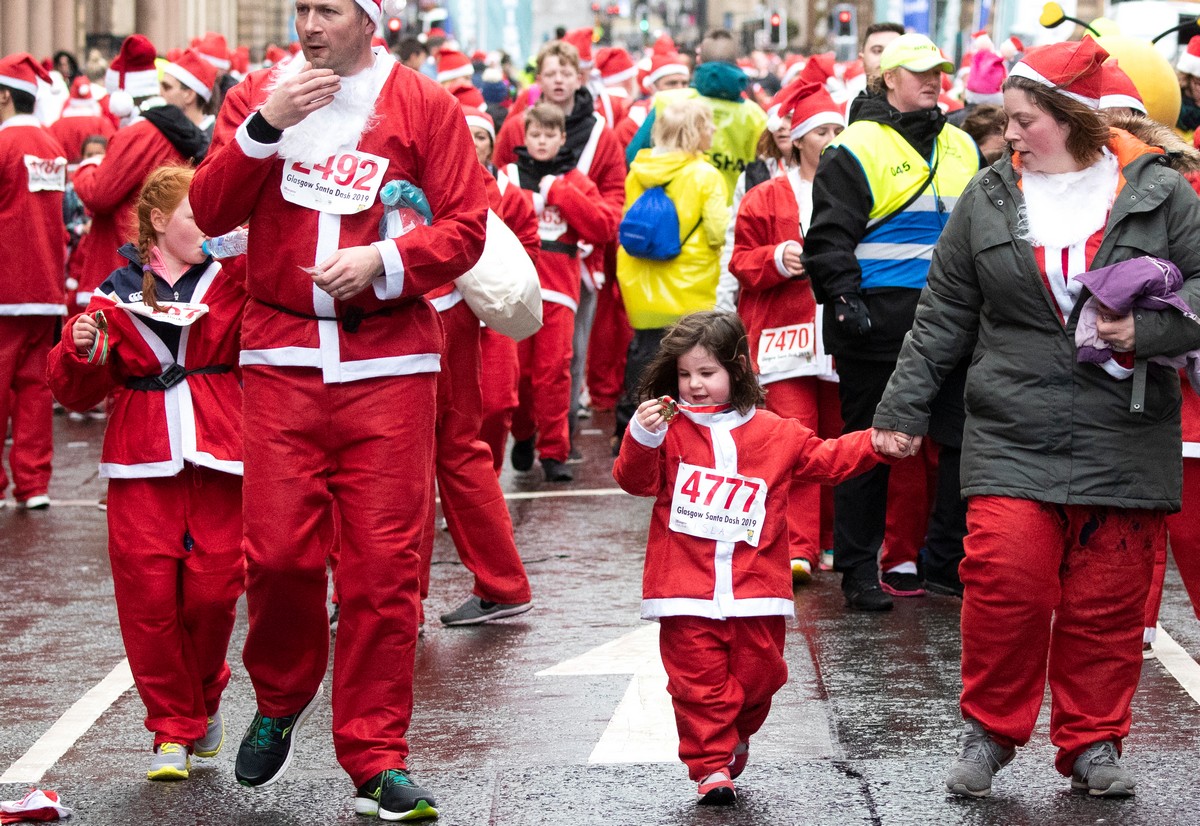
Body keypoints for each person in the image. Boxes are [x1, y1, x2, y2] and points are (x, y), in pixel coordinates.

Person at [870, 38, 1200, 798]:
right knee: (1004, 582)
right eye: (1007, 122)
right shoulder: (988, 197)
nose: (1009, 135)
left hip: (1125, 428)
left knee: (1106, 600)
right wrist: (903, 410)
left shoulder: (1161, 193)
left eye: (1025, 121)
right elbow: (944, 312)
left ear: (1074, 117)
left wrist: (1147, 334)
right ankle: (989, 730)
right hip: (1012, 426)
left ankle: (1093, 742)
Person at [190, 0, 488, 820]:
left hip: (390, 362)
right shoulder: (259, 91)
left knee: (385, 572)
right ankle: (281, 696)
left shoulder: (424, 106)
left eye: (327, 9)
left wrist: (385, 259)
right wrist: (262, 127)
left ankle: (376, 758)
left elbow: (468, 226)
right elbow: (210, 212)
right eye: (301, 8)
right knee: (279, 554)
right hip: (281, 356)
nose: (309, 25)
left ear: (370, 20)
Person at [612, 310, 886, 805]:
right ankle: (710, 766)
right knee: (697, 684)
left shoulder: (775, 431)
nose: (694, 386)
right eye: (685, 374)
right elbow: (634, 481)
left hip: (757, 591)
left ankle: (733, 733)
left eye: (707, 373)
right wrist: (642, 435)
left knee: (762, 677)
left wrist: (877, 443)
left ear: (737, 369)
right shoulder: (666, 429)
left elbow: (829, 460)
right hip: (683, 592)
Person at [47, 165, 246, 781]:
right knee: (148, 600)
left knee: (214, 593)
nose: (208, 229)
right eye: (195, 217)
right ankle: (170, 729)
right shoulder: (112, 290)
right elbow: (76, 389)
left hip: (219, 452)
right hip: (140, 457)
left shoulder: (232, 279)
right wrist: (79, 343)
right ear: (160, 222)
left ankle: (206, 695)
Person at [802, 33, 980, 611]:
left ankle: (945, 564)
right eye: (920, 72)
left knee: (959, 443)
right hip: (877, 325)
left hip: (953, 321)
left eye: (938, 72)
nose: (933, 80)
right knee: (869, 448)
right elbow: (829, 237)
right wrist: (844, 299)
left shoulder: (962, 145)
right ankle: (857, 569)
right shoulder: (853, 147)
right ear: (888, 80)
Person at [416, 106, 536, 627]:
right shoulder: (467, 165)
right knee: (460, 450)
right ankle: (503, 582)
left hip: (418, 313)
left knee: (407, 458)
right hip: (454, 316)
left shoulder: (409, 145)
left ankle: (399, 599)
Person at [729, 80, 845, 584]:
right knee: (797, 439)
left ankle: (834, 541)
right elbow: (739, 263)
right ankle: (799, 546)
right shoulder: (764, 196)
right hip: (783, 337)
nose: (833, 139)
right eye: (822, 131)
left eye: (840, 129)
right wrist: (777, 259)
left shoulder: (857, 190)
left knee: (840, 439)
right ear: (797, 139)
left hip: (840, 338)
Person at [505, 101, 620, 481]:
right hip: (515, 289)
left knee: (554, 372)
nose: (541, 142)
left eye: (549, 135)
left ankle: (554, 451)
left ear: (562, 138)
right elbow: (488, 216)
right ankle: (523, 434)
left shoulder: (575, 180)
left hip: (560, 290)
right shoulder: (508, 175)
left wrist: (559, 192)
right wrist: (528, 200)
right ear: (525, 135)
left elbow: (603, 226)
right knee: (518, 376)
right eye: (535, 134)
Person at [614, 98, 730, 444]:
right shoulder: (706, 174)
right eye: (707, 125)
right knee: (690, 360)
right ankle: (681, 432)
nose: (712, 131)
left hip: (641, 282)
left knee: (646, 354)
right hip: (689, 284)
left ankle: (637, 427)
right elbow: (715, 231)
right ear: (694, 132)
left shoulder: (639, 171)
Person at [74, 35, 208, 311]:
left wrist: (88, 167)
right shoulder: (168, 130)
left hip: (129, 250)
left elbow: (99, 194)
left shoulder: (139, 133)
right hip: (162, 250)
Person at [0, 53, 68, 510]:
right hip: (45, 285)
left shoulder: (3, 144)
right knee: (34, 389)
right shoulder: (51, 145)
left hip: (5, 285)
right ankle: (34, 482)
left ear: (4, 96)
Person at [627, 29, 767, 208]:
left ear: (699, 61)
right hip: (733, 219)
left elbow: (634, 157)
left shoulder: (670, 101)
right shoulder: (756, 116)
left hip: (675, 220)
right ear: (737, 63)